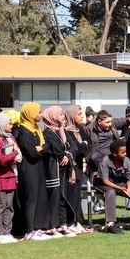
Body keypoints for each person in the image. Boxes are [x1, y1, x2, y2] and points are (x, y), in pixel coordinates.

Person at [94, 139, 130, 234]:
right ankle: (111, 224)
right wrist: (120, 188)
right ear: (114, 154)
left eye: (126, 151)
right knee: (110, 192)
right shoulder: (105, 160)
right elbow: (105, 180)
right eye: (123, 152)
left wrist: (129, 189)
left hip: (119, 183)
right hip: (103, 184)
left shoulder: (126, 160)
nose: (125, 154)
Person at [15, 102, 52, 241]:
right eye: (39, 112)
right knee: (30, 198)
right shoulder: (23, 131)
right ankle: (29, 229)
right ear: (30, 113)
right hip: (28, 168)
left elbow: (47, 147)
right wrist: (41, 149)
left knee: (39, 197)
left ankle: (37, 227)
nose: (41, 115)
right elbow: (32, 153)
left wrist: (41, 148)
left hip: (38, 167)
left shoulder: (36, 128)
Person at [41, 106, 76, 237]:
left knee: (62, 197)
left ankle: (63, 224)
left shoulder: (61, 131)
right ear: (53, 117)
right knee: (54, 198)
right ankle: (53, 226)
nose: (63, 117)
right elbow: (59, 148)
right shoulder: (48, 133)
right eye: (61, 114)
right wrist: (65, 149)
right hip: (53, 171)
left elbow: (73, 146)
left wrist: (67, 154)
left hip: (63, 170)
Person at [0, 113, 21, 243]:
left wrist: (13, 155)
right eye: (9, 123)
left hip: (10, 176)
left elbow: (17, 159)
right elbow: (1, 160)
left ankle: (7, 231)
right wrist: (14, 152)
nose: (11, 126)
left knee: (9, 206)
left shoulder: (10, 138)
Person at [63, 105, 88, 233]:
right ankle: (70, 221)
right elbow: (78, 148)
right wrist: (82, 145)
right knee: (71, 194)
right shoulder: (66, 131)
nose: (81, 117)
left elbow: (85, 148)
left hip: (78, 166)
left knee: (78, 194)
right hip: (69, 169)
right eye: (78, 114)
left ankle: (78, 220)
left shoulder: (80, 130)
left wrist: (82, 145)